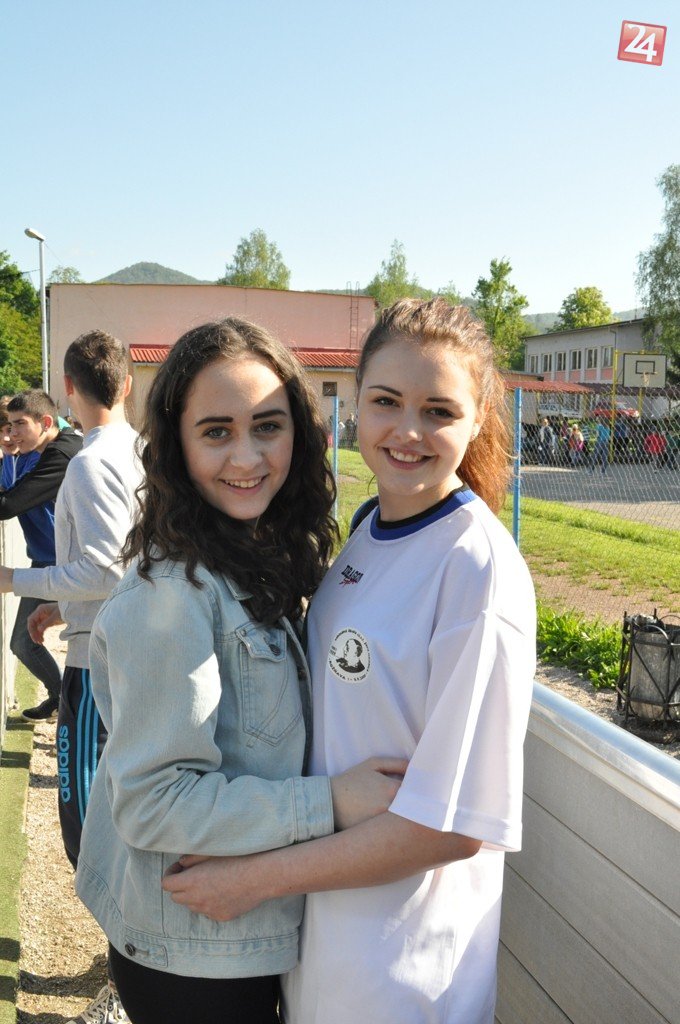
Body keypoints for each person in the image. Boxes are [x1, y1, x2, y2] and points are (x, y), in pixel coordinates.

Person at [164, 298, 537, 1024]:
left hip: (402, 978)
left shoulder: (477, 569)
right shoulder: (370, 527)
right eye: (387, 401)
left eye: (438, 411)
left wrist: (251, 878)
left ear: (478, 418)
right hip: (324, 955)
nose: (407, 431)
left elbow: (454, 825)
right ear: (354, 404)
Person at [74, 319, 404, 1024]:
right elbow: (153, 801)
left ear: (299, 434)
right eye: (216, 431)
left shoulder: (251, 553)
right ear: (177, 445)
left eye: (267, 427)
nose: (247, 456)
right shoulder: (171, 597)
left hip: (231, 939)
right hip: (192, 958)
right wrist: (330, 803)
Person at [0, 332, 143, 1024]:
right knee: (119, 826)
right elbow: (128, 563)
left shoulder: (89, 463)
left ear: (70, 389)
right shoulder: (139, 451)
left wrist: (16, 579)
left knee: (89, 834)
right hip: (125, 653)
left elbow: (106, 570)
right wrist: (61, 604)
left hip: (97, 665)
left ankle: (126, 983)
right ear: (128, 385)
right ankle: (126, 967)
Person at [0, 390, 82, 720]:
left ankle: (68, 703)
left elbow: (9, 504)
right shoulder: (28, 455)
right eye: (8, 426)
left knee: (27, 641)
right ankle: (63, 699)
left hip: (61, 562)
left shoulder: (57, 454)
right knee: (29, 640)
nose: (12, 434)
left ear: (46, 422)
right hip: (46, 559)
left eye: (19, 425)